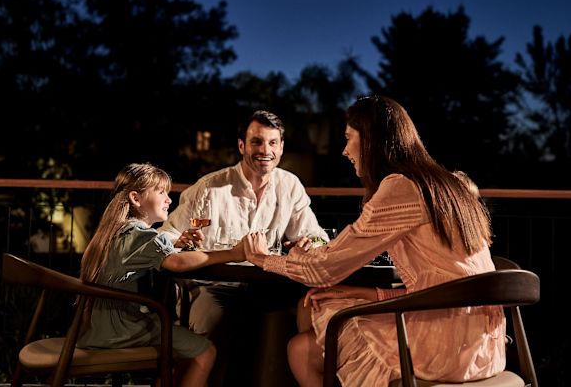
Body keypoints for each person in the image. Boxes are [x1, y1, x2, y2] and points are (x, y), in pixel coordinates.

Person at [243, 95, 506, 386]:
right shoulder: (447, 185)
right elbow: (444, 286)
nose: (344, 151)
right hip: (483, 346)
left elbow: (322, 270)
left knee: (300, 346)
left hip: (443, 347)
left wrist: (263, 258)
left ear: (370, 139)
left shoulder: (401, 186)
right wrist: (366, 294)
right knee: (317, 303)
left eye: (348, 138)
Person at [158, 110, 328, 385]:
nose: (265, 150)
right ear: (242, 145)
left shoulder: (290, 186)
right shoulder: (210, 188)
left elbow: (319, 238)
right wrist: (182, 241)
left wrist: (309, 243)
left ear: (281, 147)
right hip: (214, 287)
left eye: (273, 143)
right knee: (212, 319)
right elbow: (164, 240)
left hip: (269, 285)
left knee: (308, 306)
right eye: (257, 142)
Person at [77, 162, 245, 387]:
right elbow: (176, 263)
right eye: (161, 192)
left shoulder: (118, 231)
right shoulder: (137, 234)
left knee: (183, 346)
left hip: (102, 328)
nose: (169, 199)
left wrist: (175, 241)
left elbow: (148, 249)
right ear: (136, 199)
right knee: (205, 351)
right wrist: (235, 253)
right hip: (124, 330)